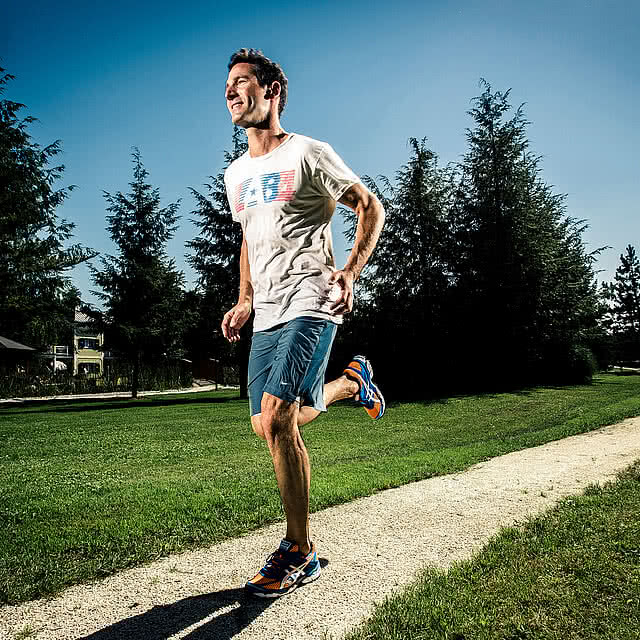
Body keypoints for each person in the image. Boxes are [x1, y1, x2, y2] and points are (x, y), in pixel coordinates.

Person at [221, 48, 385, 597]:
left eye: (242, 82)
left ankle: (299, 549)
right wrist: (244, 299)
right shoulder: (236, 173)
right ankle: (351, 383)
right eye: (227, 85)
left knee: (277, 417)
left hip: (312, 299)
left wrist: (350, 273)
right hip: (266, 310)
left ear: (272, 92)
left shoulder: (309, 153)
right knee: (267, 426)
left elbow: (368, 206)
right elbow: (249, 238)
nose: (230, 92)